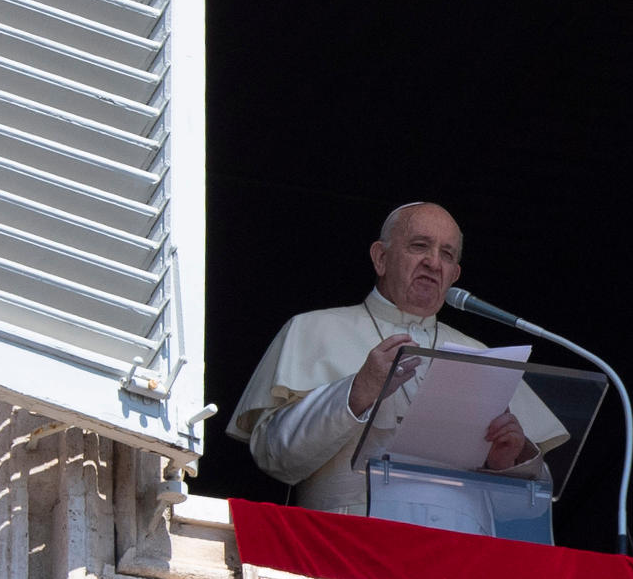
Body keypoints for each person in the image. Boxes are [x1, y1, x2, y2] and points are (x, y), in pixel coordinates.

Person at [229, 201, 562, 515]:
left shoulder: (484, 356)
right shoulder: (312, 329)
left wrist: (511, 461)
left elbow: (529, 509)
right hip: (349, 536)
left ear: (454, 274)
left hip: (460, 544)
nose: (433, 262)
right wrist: (356, 392)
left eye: (446, 254)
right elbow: (275, 458)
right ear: (381, 258)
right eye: (420, 246)